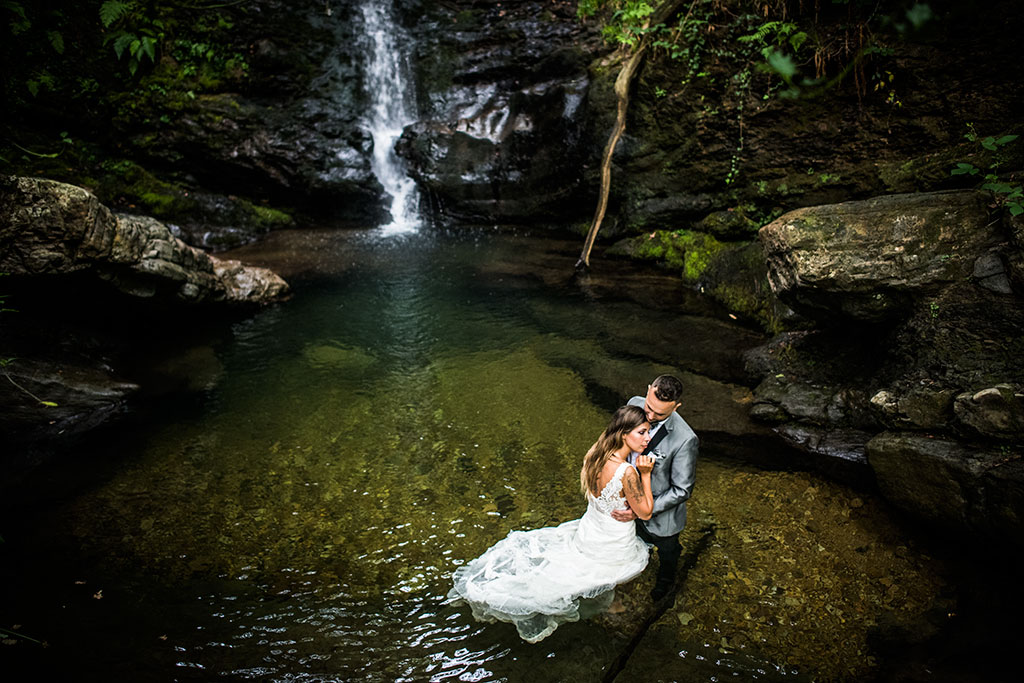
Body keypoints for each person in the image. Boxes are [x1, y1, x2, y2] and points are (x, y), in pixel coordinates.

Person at [448, 405, 656, 643]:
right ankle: (605, 605)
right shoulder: (628, 471)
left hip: (591, 530)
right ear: (623, 434)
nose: (647, 438)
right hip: (611, 539)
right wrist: (646, 473)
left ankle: (605, 602)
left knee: (590, 573)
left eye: (647, 432)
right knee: (607, 574)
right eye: (642, 432)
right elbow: (646, 512)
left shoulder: (596, 454)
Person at [611, 374, 698, 602]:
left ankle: (666, 581)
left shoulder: (686, 439)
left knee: (668, 551)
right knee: (634, 542)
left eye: (659, 414)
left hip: (661, 519)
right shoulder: (634, 403)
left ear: (676, 406)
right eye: (649, 407)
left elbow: (682, 490)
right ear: (648, 389)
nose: (649, 416)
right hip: (627, 501)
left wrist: (642, 510)